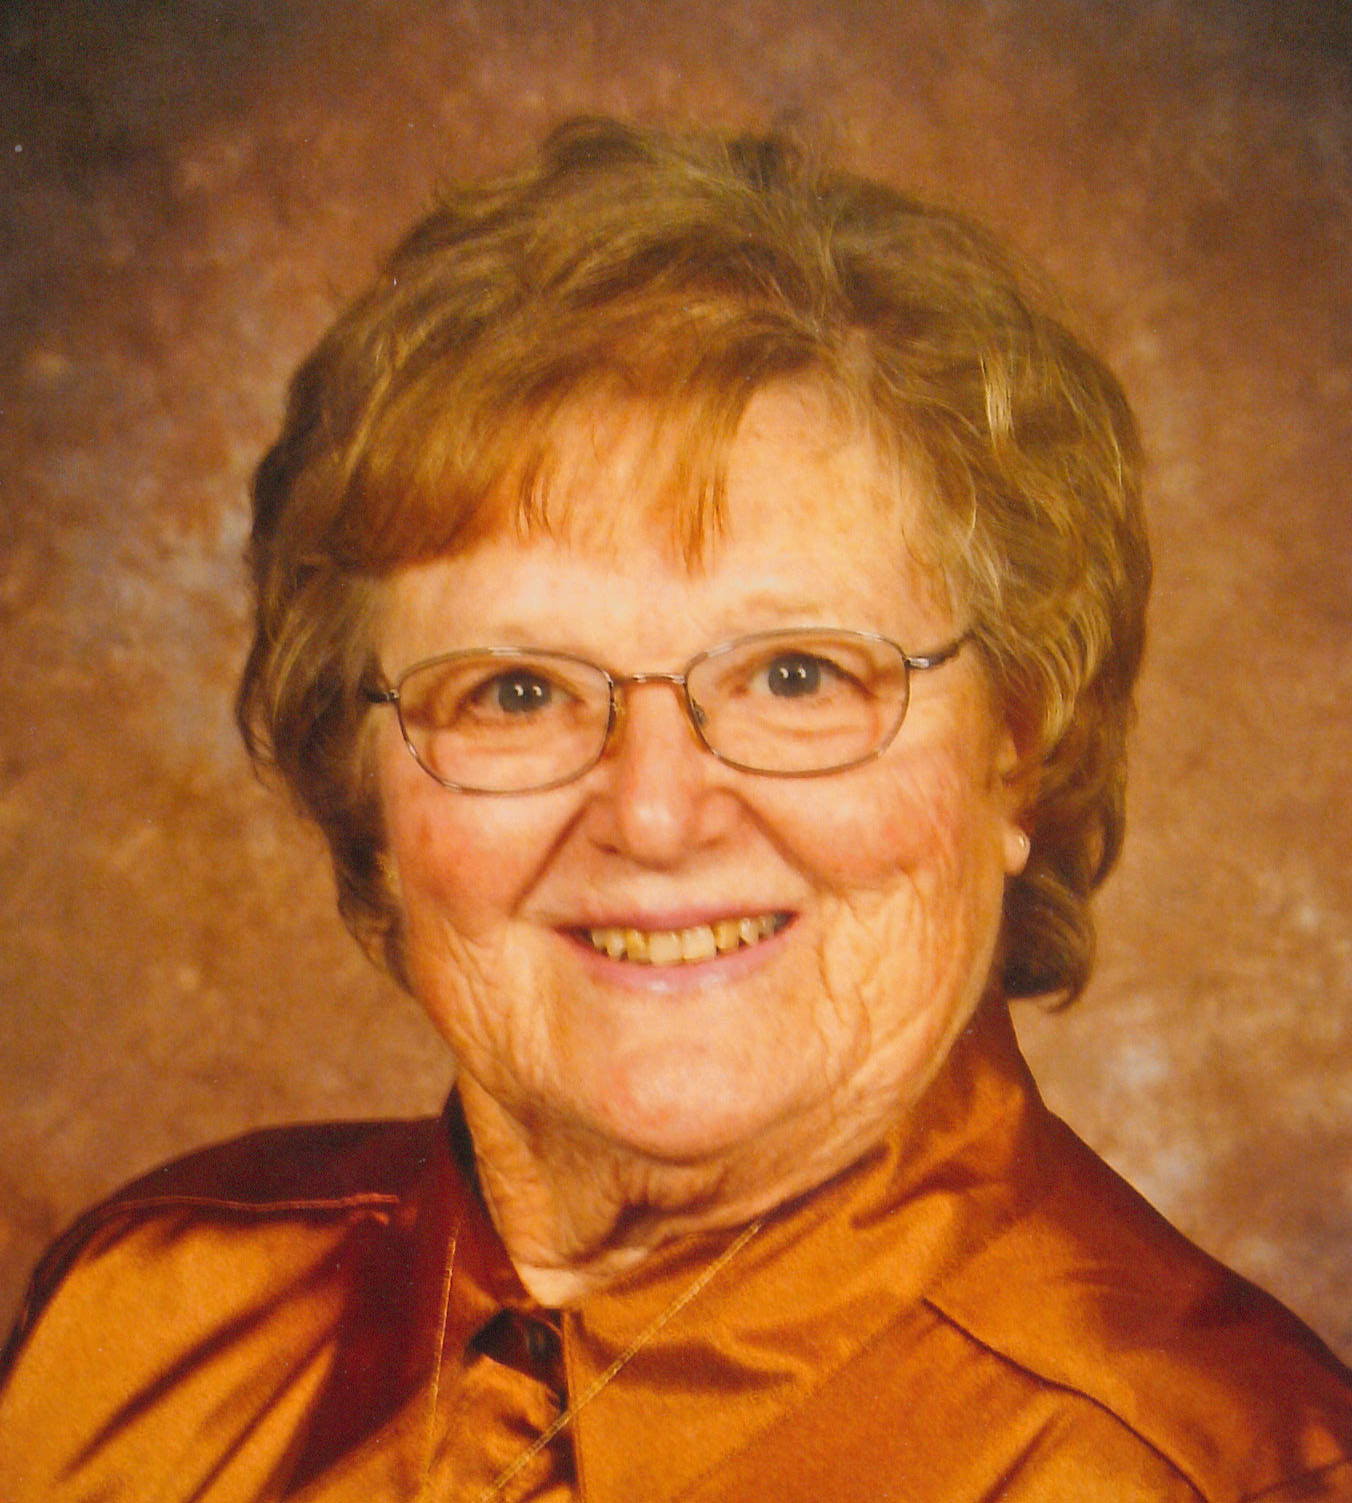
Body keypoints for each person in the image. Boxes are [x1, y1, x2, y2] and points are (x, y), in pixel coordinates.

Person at [1, 116, 1349, 1502]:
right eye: (518, 690)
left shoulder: (1209, 1468)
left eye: (796, 676)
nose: (652, 815)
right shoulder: (134, 1336)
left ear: (1016, 747)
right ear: (368, 782)